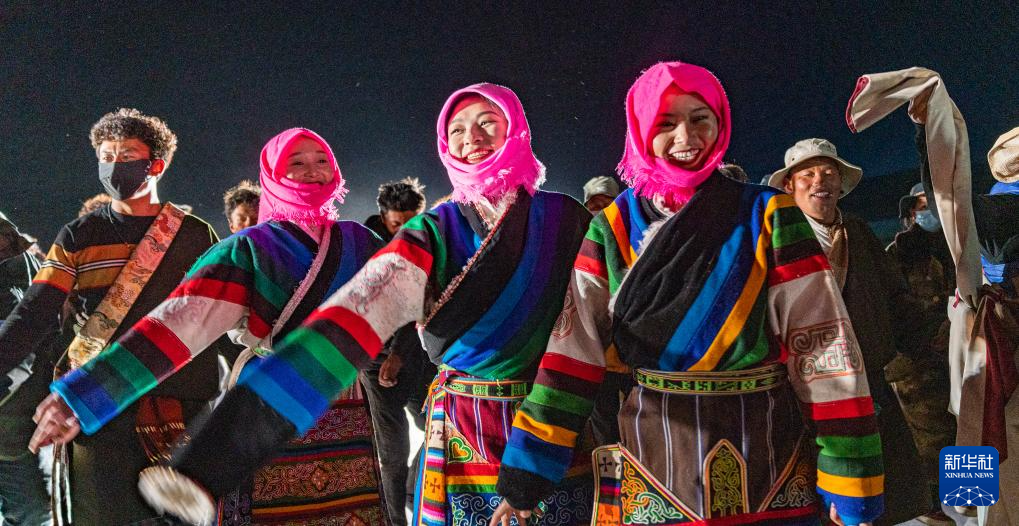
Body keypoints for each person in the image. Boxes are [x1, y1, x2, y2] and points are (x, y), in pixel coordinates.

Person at [135, 83, 594, 526]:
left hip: (549, 415)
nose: (471, 138)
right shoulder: (432, 229)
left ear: (516, 129)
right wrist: (209, 463)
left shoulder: (566, 218)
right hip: (461, 421)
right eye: (457, 129)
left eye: (488, 122)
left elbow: (580, 334)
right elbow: (354, 317)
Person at [494, 61, 885, 526]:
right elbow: (572, 353)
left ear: (721, 124)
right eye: (666, 123)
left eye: (701, 119)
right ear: (640, 131)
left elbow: (822, 343)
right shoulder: (612, 227)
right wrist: (528, 473)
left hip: (767, 454)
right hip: (654, 457)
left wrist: (848, 468)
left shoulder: (769, 213)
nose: (686, 136)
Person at [32, 128, 389, 525]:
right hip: (265, 400)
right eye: (297, 162)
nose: (312, 171)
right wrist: (86, 394)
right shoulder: (247, 249)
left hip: (344, 401)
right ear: (273, 175)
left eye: (322, 161)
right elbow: (179, 323)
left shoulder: (361, 241)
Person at [0, 107, 227, 525]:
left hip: (178, 400)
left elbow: (214, 314)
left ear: (156, 165)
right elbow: (34, 313)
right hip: (97, 404)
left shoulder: (196, 235)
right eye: (106, 156)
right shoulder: (78, 235)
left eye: (127, 156)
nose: (114, 165)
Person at [768, 138, 928, 524]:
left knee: (880, 493)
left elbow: (895, 296)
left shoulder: (857, 231)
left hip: (869, 382)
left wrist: (929, 340)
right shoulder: (775, 239)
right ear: (789, 185)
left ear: (841, 184)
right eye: (807, 174)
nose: (819, 181)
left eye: (828, 173)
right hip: (805, 391)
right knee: (817, 492)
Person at [361, 177, 435, 526]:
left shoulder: (431, 239)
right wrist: (389, 356)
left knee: (439, 428)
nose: (405, 231)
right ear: (383, 218)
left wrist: (402, 354)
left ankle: (411, 489)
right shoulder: (365, 247)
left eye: (412, 222)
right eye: (396, 224)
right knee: (393, 449)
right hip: (377, 360)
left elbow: (419, 302)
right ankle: (395, 521)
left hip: (419, 355)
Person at [884, 181, 957, 525]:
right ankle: (932, 505)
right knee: (929, 434)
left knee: (967, 425)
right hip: (917, 362)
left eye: (935, 205)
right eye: (923, 207)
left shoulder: (957, 246)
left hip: (959, 353)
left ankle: (970, 498)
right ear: (910, 214)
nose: (930, 213)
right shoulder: (897, 254)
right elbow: (891, 308)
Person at [0, 212, 50, 526]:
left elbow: (20, 347)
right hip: (15, 432)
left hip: (14, 435)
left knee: (31, 514)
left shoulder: (14, 273)